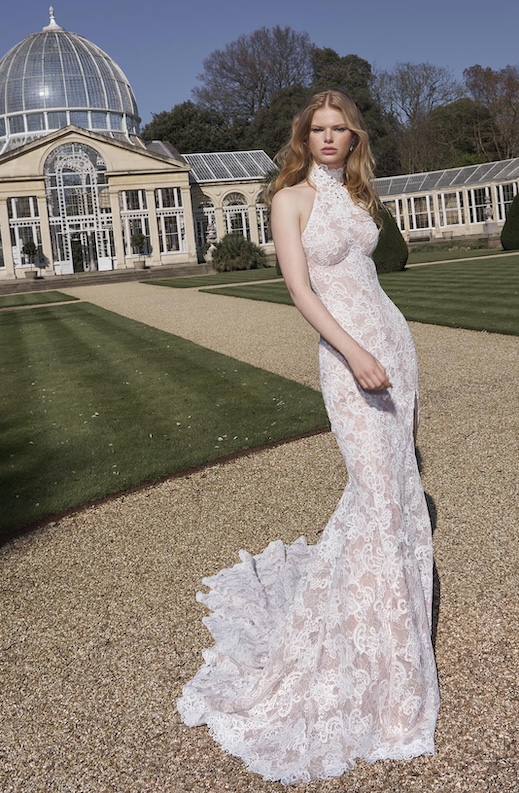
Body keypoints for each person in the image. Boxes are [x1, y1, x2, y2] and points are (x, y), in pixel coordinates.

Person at [177, 89, 439, 785]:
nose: (329, 139)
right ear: (304, 135)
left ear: (354, 138)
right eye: (318, 129)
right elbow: (301, 289)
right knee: (376, 488)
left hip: (394, 340)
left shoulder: (359, 196)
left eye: (340, 130)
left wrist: (392, 351)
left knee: (399, 493)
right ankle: (362, 650)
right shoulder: (288, 198)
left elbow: (371, 281)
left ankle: (398, 645)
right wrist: (354, 353)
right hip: (346, 354)